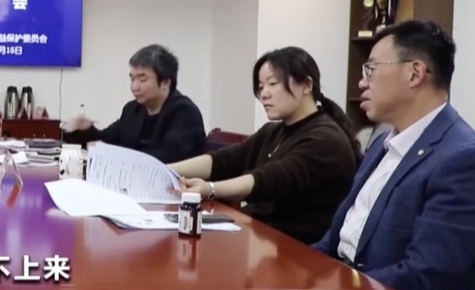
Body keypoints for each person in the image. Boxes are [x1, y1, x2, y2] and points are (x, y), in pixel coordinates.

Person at [312, 20, 475, 290]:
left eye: (371, 69)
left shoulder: (462, 158)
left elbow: (427, 275)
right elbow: (336, 239)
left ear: (415, 74)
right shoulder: (381, 144)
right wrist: (301, 269)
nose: (361, 82)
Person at [169, 47, 362, 244]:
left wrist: (209, 189)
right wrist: (165, 170)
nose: (264, 94)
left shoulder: (325, 139)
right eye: (261, 87)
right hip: (260, 237)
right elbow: (222, 161)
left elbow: (268, 179)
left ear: (306, 85)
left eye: (272, 84)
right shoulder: (273, 131)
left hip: (297, 248)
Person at [60, 44, 205, 163]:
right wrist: (86, 130)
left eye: (142, 79)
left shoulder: (185, 113)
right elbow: (108, 137)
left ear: (165, 83)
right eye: (132, 79)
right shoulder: (132, 109)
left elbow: (168, 157)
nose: (135, 87)